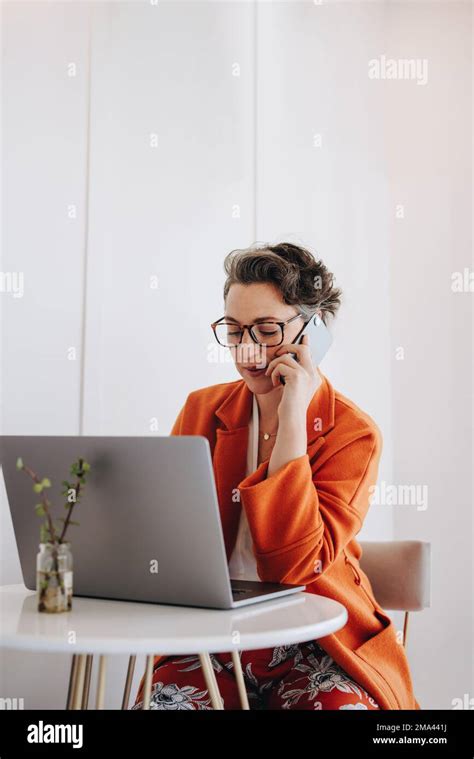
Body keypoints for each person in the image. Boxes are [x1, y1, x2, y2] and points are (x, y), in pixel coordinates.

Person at [132, 242, 420, 710]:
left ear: (313, 331)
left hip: (320, 644)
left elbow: (295, 567)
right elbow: (165, 536)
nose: (248, 349)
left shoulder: (353, 432)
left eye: (267, 329)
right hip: (212, 641)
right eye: (233, 329)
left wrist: (292, 420)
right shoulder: (202, 410)